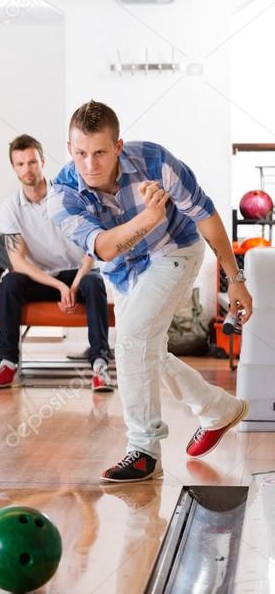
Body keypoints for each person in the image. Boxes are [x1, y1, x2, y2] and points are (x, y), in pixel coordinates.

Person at [49, 100, 252, 482]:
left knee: (130, 341)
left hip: (173, 250)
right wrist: (147, 217)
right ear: (69, 149)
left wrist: (235, 279)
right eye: (80, 153)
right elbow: (104, 248)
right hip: (122, 271)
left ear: (119, 147)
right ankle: (219, 409)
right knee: (145, 352)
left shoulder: (155, 161)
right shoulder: (62, 194)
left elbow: (205, 216)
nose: (90, 164)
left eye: (100, 153)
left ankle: (143, 449)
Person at [0, 134, 113, 392]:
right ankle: (7, 362)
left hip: (78, 273)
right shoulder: (11, 207)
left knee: (95, 282)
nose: (27, 169)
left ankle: (99, 365)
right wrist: (59, 287)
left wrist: (72, 286)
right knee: (10, 281)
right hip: (43, 279)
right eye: (20, 164)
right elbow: (18, 261)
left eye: (31, 162)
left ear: (42, 161)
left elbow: (92, 246)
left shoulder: (67, 195)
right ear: (13, 168)